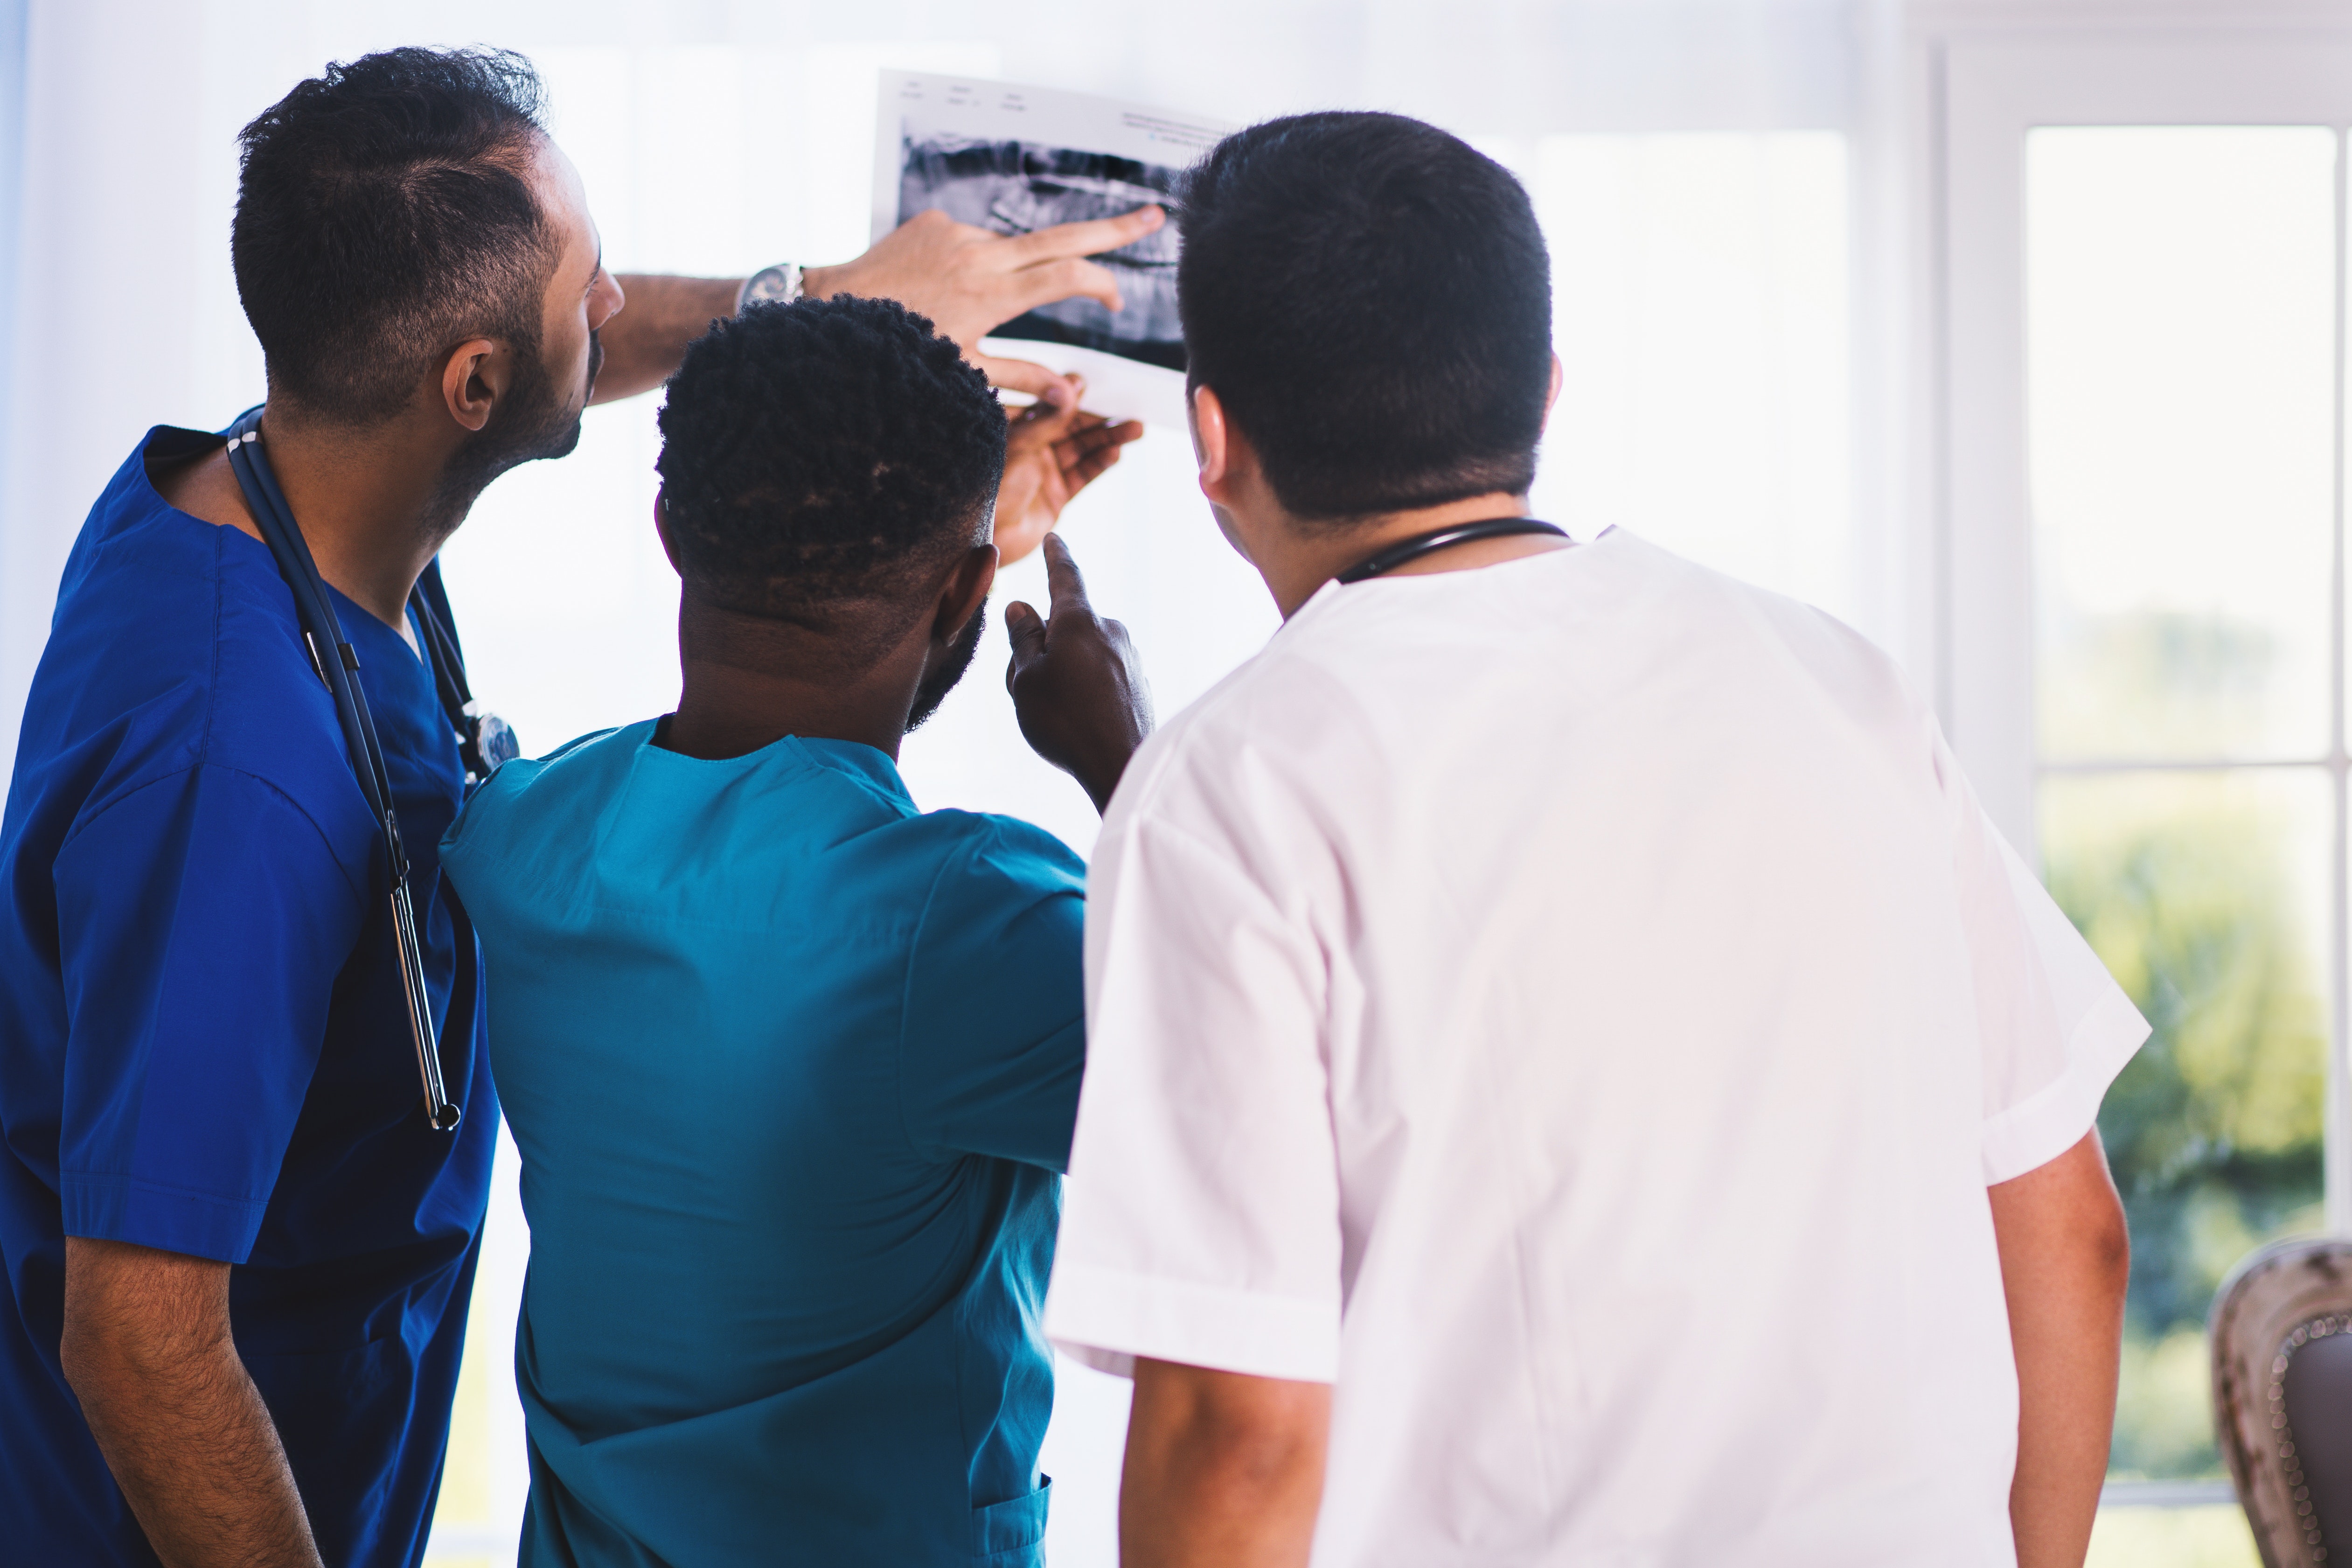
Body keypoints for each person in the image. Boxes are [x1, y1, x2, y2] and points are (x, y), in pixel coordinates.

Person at [0, 45, 1155, 1568]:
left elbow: (755, 714)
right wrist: (1110, 747)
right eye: (589, 285)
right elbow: (142, 1339)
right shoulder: (237, 772)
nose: (617, 314)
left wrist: (831, 325)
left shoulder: (272, 499)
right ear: (472, 386)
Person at [1041, 112, 2143, 1568]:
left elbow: (1236, 1430)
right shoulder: (1833, 682)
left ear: (1211, 431)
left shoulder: (1225, 784)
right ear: (1544, 394)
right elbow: (2070, 1235)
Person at [437, 294, 1149, 1566]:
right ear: (965, 593)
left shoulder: (517, 839)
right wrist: (1130, 767)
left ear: (670, 531)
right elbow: (1272, 1095)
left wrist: (955, 554)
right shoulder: (966, 925)